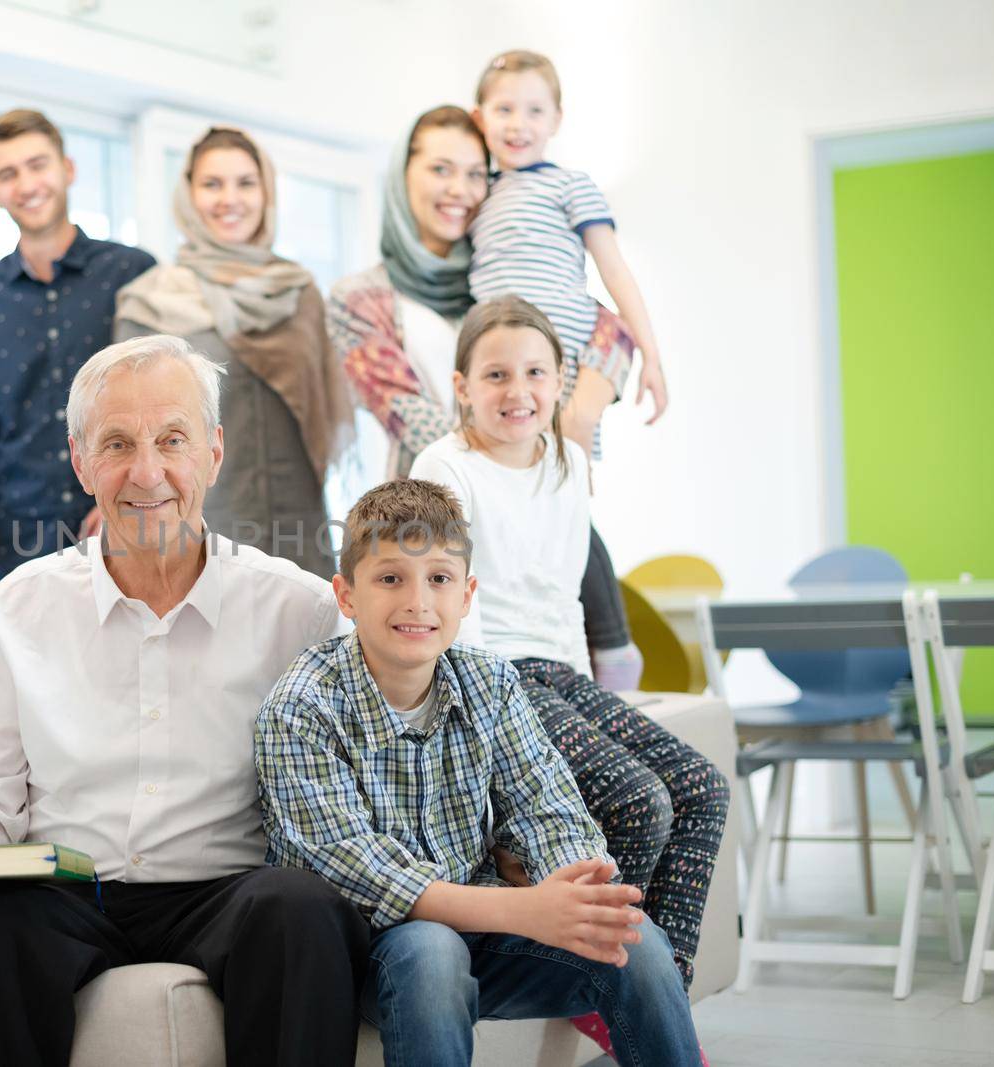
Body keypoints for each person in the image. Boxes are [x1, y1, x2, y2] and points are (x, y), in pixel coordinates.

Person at [0, 335, 370, 1067]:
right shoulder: (20, 606)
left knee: (302, 912)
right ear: (82, 462)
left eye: (172, 439)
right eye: (117, 443)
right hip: (64, 887)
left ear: (213, 452)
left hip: (228, 888)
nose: (148, 472)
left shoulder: (297, 610)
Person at [255, 478, 702, 1067]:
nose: (418, 602)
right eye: (391, 578)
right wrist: (526, 908)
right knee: (431, 950)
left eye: (439, 579)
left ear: (466, 596)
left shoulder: (489, 681)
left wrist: (574, 892)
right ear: (347, 595)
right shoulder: (303, 704)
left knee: (637, 942)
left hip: (487, 933)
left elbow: (549, 807)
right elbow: (362, 872)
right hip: (369, 954)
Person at [408, 298, 728, 1053]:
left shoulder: (570, 463)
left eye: (533, 373)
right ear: (461, 386)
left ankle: (655, 996)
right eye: (495, 375)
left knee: (704, 790)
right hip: (492, 676)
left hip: (560, 670)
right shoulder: (444, 466)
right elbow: (449, 598)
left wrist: (596, 702)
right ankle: (599, 971)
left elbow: (563, 598)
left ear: (560, 383)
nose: (516, 390)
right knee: (641, 801)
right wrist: (496, 722)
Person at [469, 48, 664, 689]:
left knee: (566, 506)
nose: (517, 122)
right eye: (504, 109)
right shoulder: (483, 193)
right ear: (481, 116)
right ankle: (560, 644)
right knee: (535, 511)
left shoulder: (568, 183)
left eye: (533, 109)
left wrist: (652, 358)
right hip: (508, 374)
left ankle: (611, 645)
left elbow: (614, 270)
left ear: (557, 118)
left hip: (565, 369)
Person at [115, 126, 352, 579]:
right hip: (199, 527)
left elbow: (323, 419)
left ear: (267, 193)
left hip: (298, 525)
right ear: (188, 196)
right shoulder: (151, 301)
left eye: (246, 182)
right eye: (212, 184)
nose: (230, 199)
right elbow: (131, 434)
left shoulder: (299, 292)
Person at [0, 108, 156, 602]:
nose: (26, 184)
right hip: (15, 545)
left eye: (38, 165)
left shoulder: (132, 274)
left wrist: (130, 494)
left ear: (68, 169)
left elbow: (166, 405)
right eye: (7, 173)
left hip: (128, 530)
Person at [328, 106, 489, 479]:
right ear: (402, 177)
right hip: (431, 516)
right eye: (440, 169)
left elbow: (607, 333)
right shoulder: (359, 299)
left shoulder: (502, 280)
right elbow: (411, 420)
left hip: (533, 505)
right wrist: (514, 457)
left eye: (475, 174)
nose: (459, 190)